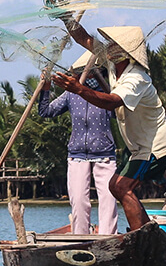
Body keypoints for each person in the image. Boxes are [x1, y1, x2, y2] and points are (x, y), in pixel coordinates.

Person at [52, 20, 166, 231]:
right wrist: (67, 18)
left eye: (113, 44)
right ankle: (147, 231)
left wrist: (80, 90)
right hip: (141, 148)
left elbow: (112, 101)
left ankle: (143, 237)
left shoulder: (136, 78)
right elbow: (85, 39)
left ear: (126, 52)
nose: (108, 46)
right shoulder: (112, 65)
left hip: (156, 146)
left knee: (120, 186)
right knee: (117, 186)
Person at [38, 53, 118, 235]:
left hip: (104, 154)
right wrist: (46, 87)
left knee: (108, 200)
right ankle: (80, 238)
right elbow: (45, 111)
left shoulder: (108, 92)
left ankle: (107, 239)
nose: (86, 75)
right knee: (79, 202)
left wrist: (112, 95)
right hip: (77, 155)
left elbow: (122, 115)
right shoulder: (71, 94)